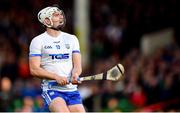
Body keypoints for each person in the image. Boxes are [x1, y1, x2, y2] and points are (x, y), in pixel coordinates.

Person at [29, 6, 85, 112]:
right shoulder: (38, 41)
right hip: (52, 89)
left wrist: (76, 74)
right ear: (47, 20)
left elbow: (77, 66)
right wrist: (56, 77)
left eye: (61, 14)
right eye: (56, 15)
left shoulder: (72, 39)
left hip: (72, 91)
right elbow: (34, 69)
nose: (61, 17)